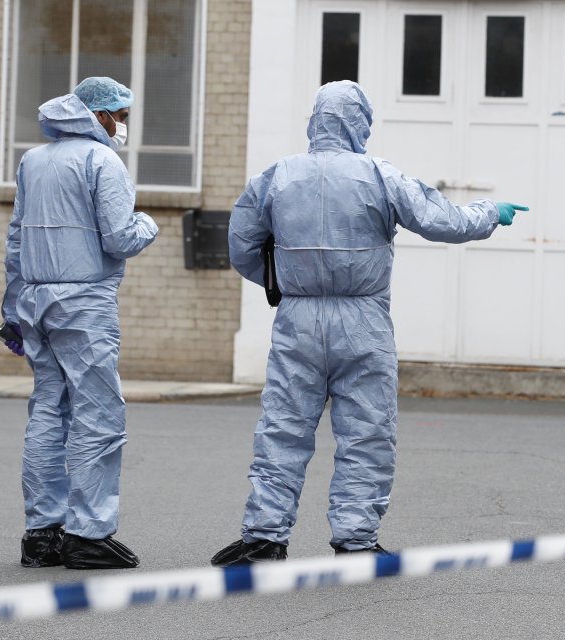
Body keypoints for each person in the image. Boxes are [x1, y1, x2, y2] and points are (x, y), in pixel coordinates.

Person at [211, 80, 528, 566]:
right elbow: (442, 221)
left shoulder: (276, 177)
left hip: (298, 318)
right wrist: (490, 212)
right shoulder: (379, 175)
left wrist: (286, 284)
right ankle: (356, 540)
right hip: (362, 319)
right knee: (366, 432)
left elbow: (242, 247)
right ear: (360, 122)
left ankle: (264, 536)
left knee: (283, 429)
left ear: (314, 120)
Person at [2, 76, 158, 570]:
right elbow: (119, 237)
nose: (124, 124)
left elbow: (15, 241)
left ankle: (42, 533)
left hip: (34, 300)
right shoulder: (100, 160)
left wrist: (11, 312)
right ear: (100, 115)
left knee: (48, 410)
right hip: (84, 302)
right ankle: (88, 533)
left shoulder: (34, 161)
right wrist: (149, 224)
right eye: (122, 115)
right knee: (98, 413)